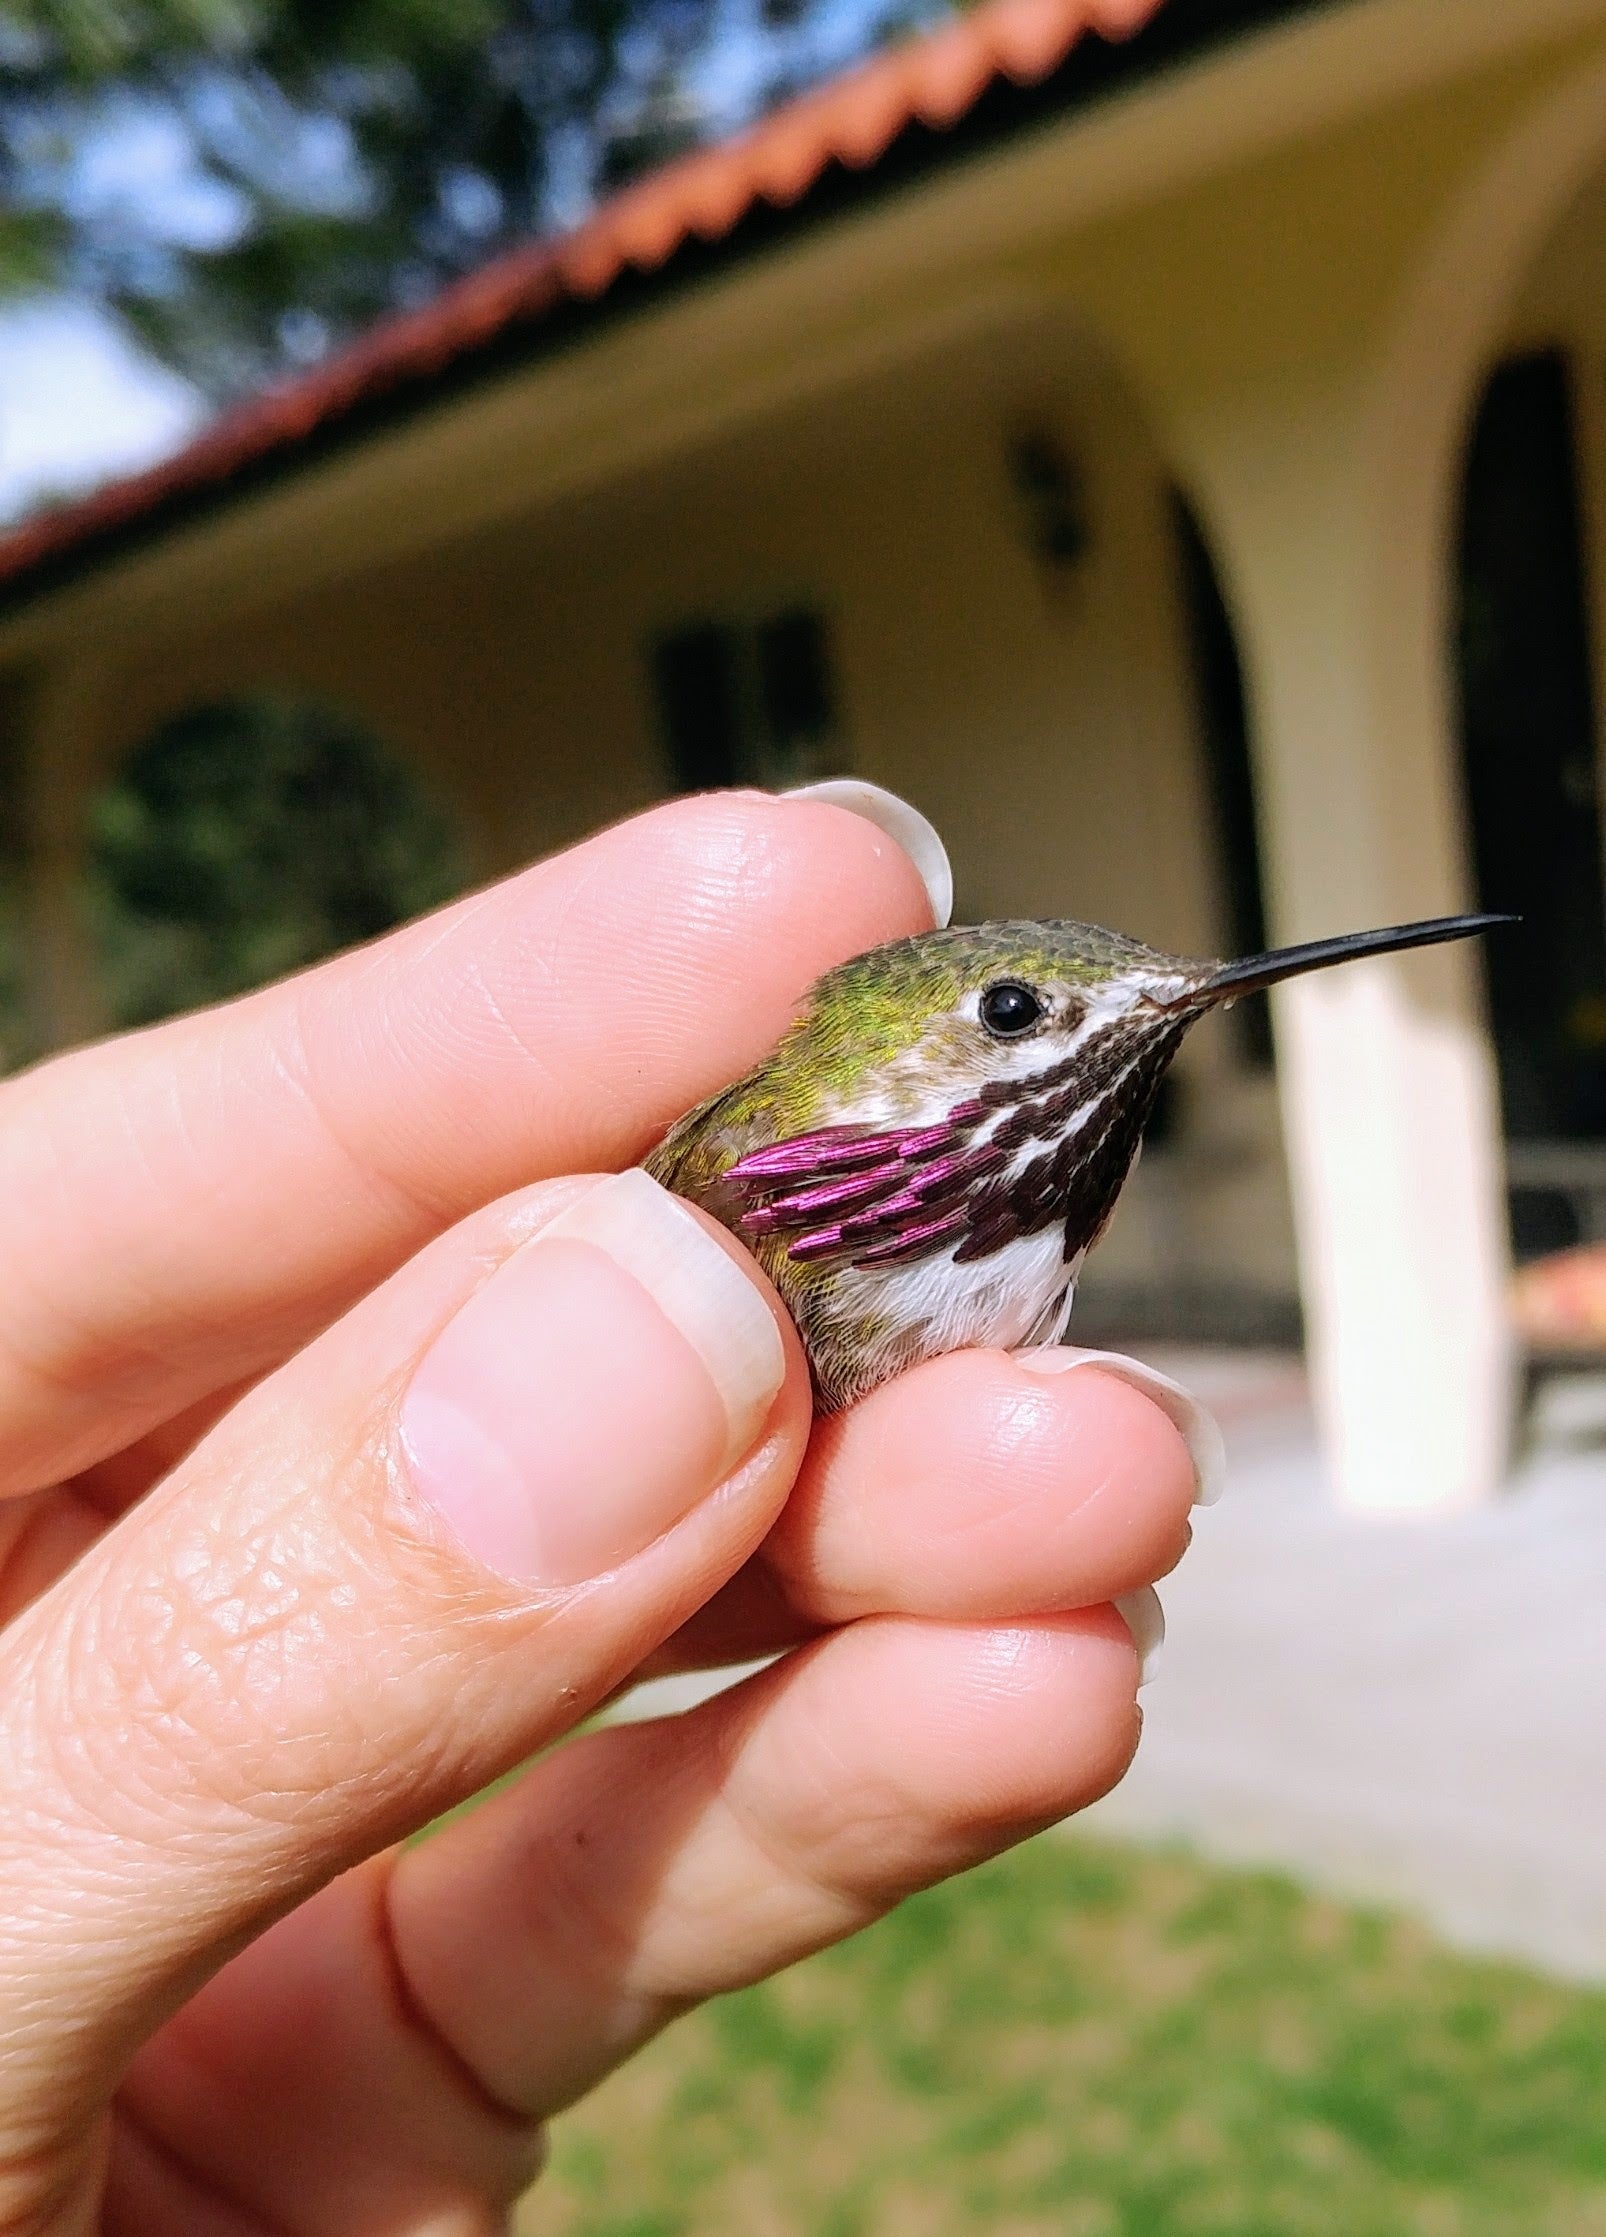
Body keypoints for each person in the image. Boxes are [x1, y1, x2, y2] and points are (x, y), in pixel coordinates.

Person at [0, 785, 1206, 2234]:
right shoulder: (757, 1159)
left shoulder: (1043, 1195)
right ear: (883, 1060)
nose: (1087, 1033)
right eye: (1016, 1013)